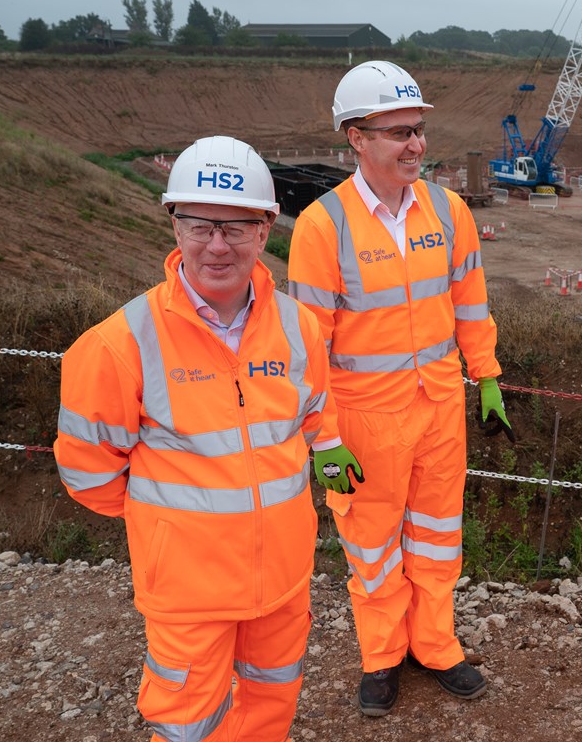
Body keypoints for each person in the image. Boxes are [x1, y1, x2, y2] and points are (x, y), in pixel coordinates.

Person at [53, 135, 362, 741]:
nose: (217, 245)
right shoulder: (121, 343)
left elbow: (314, 408)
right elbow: (87, 472)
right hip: (187, 591)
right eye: (200, 225)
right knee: (186, 723)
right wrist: (170, 527)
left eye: (237, 227)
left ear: (268, 226)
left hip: (282, 579)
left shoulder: (299, 326)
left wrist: (325, 444)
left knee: (271, 705)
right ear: (174, 226)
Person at [287, 60, 514, 717]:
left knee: (439, 536)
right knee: (372, 543)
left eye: (418, 130)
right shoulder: (323, 227)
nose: (415, 145)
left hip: (440, 408)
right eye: (397, 133)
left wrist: (488, 375)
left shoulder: (449, 212)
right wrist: (322, 438)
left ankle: (436, 645)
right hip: (363, 421)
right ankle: (383, 655)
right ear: (356, 137)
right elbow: (307, 348)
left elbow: (471, 303)